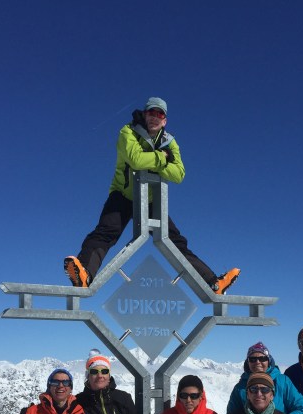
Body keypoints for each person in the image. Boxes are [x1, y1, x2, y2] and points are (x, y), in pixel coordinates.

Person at [64, 96, 239, 294]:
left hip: (150, 200)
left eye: (160, 114)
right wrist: (163, 157)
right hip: (123, 195)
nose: (155, 117)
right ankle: (83, 275)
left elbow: (179, 174)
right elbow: (136, 160)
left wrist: (155, 161)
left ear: (165, 120)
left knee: (175, 242)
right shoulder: (128, 132)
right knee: (106, 232)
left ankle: (213, 284)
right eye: (151, 112)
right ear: (145, 114)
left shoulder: (169, 141)